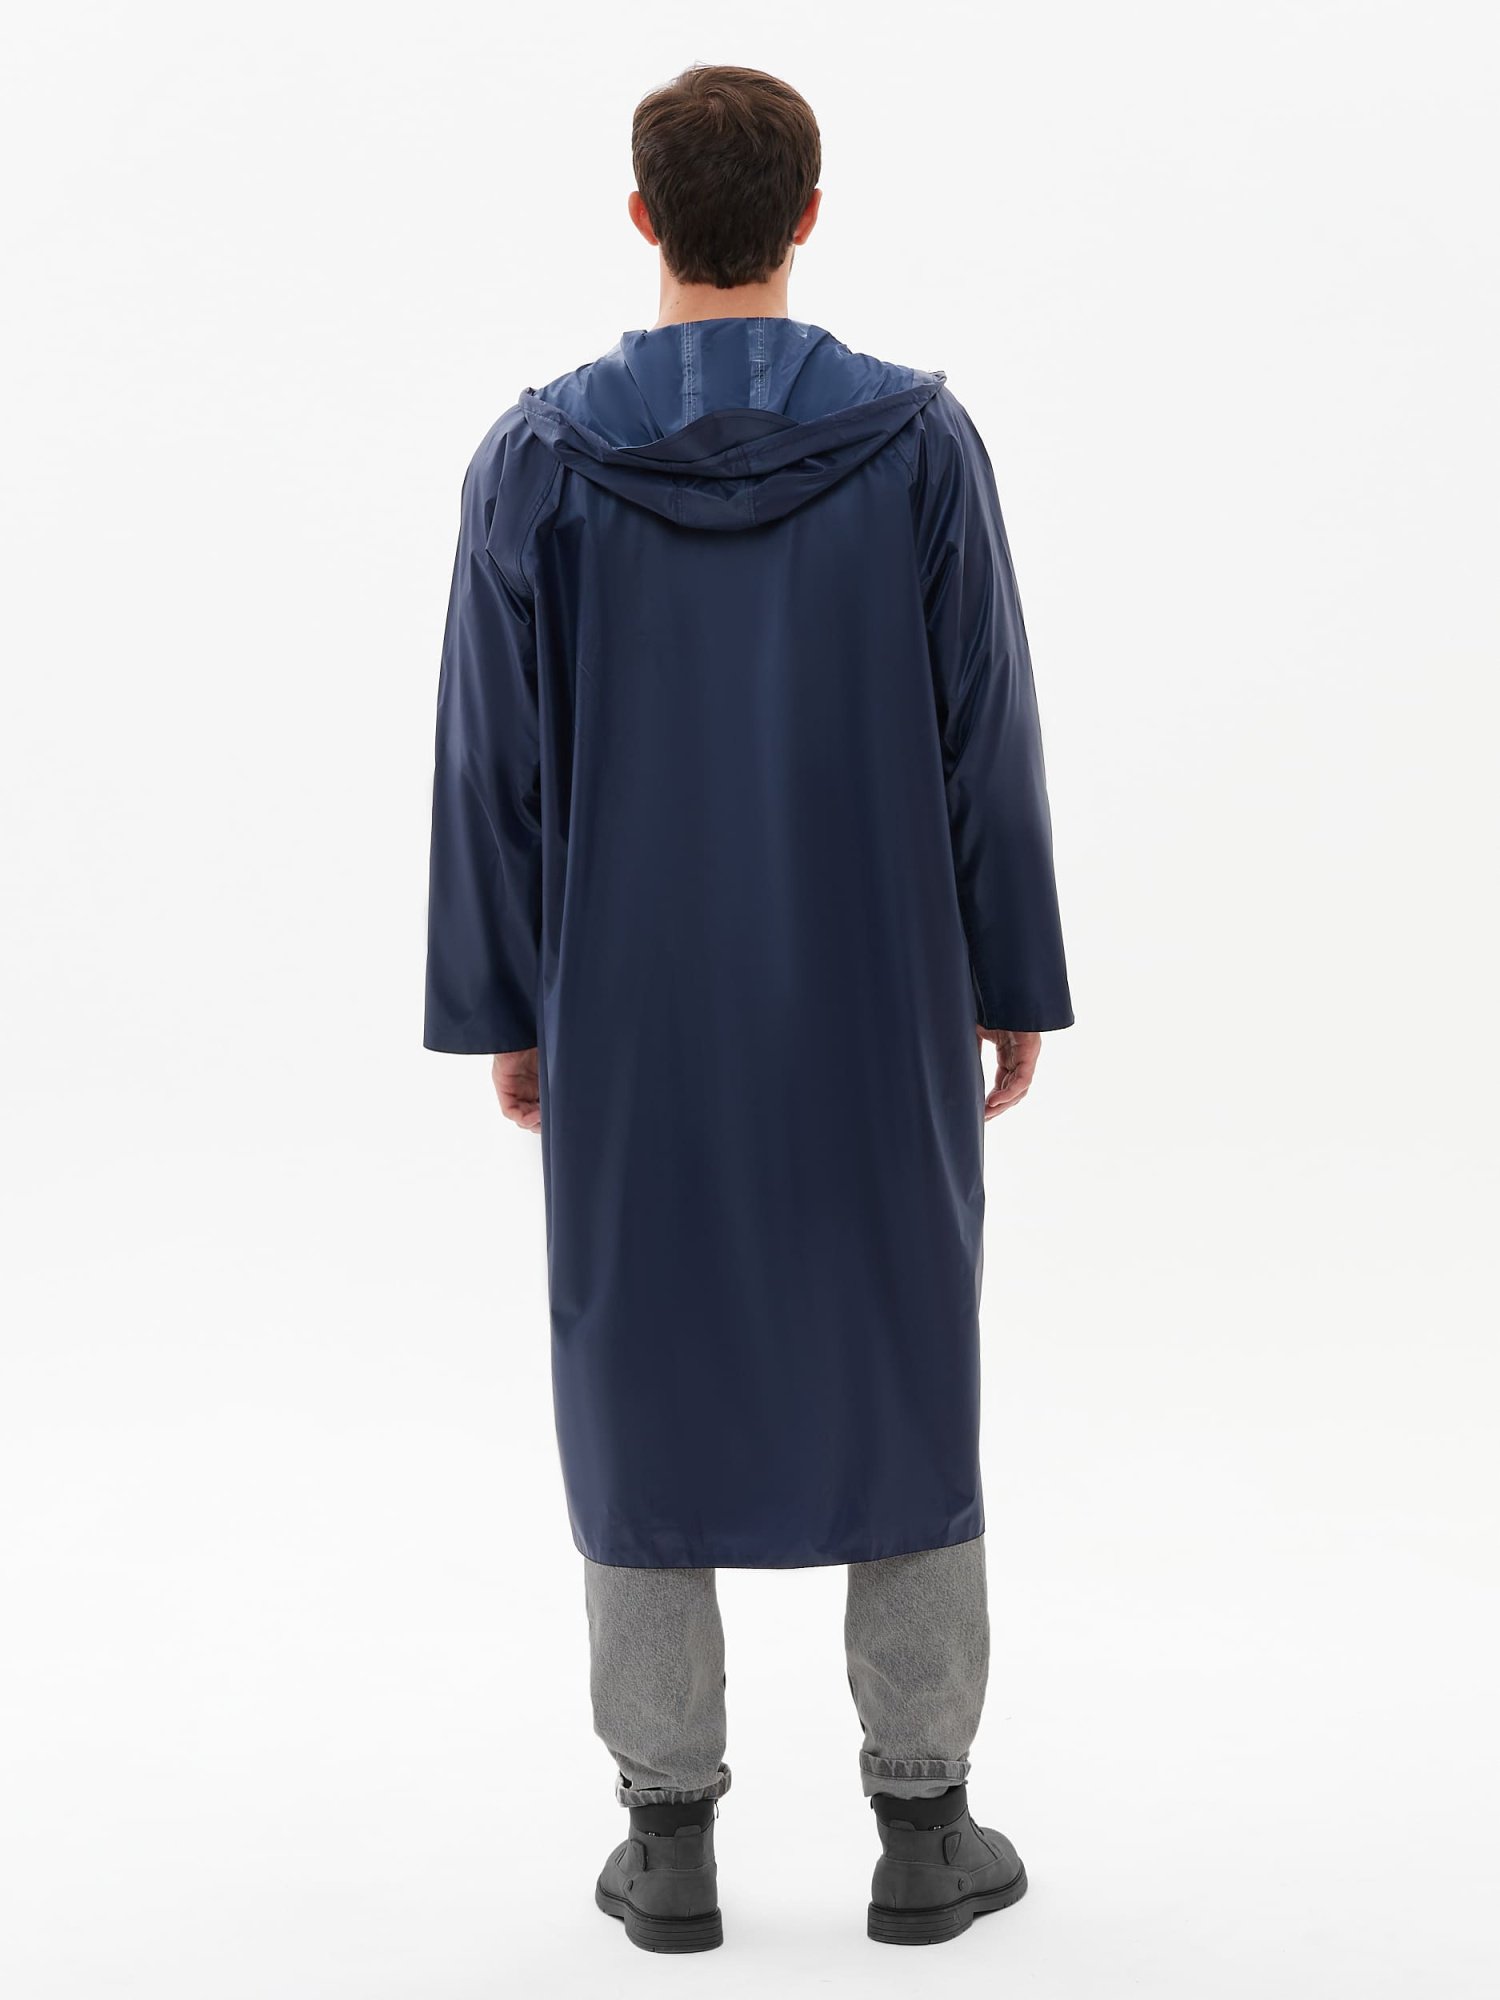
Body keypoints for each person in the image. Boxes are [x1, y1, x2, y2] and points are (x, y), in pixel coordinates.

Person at [423, 63, 1073, 1954]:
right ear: (809, 216)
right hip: (881, 989)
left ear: (642, 218)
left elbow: (489, 765)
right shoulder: (920, 448)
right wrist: (1011, 979)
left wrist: (506, 1003)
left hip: (631, 1003)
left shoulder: (537, 461)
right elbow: (986, 733)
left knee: (640, 1373)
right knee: (903, 1356)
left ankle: (669, 1840)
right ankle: (924, 1829)